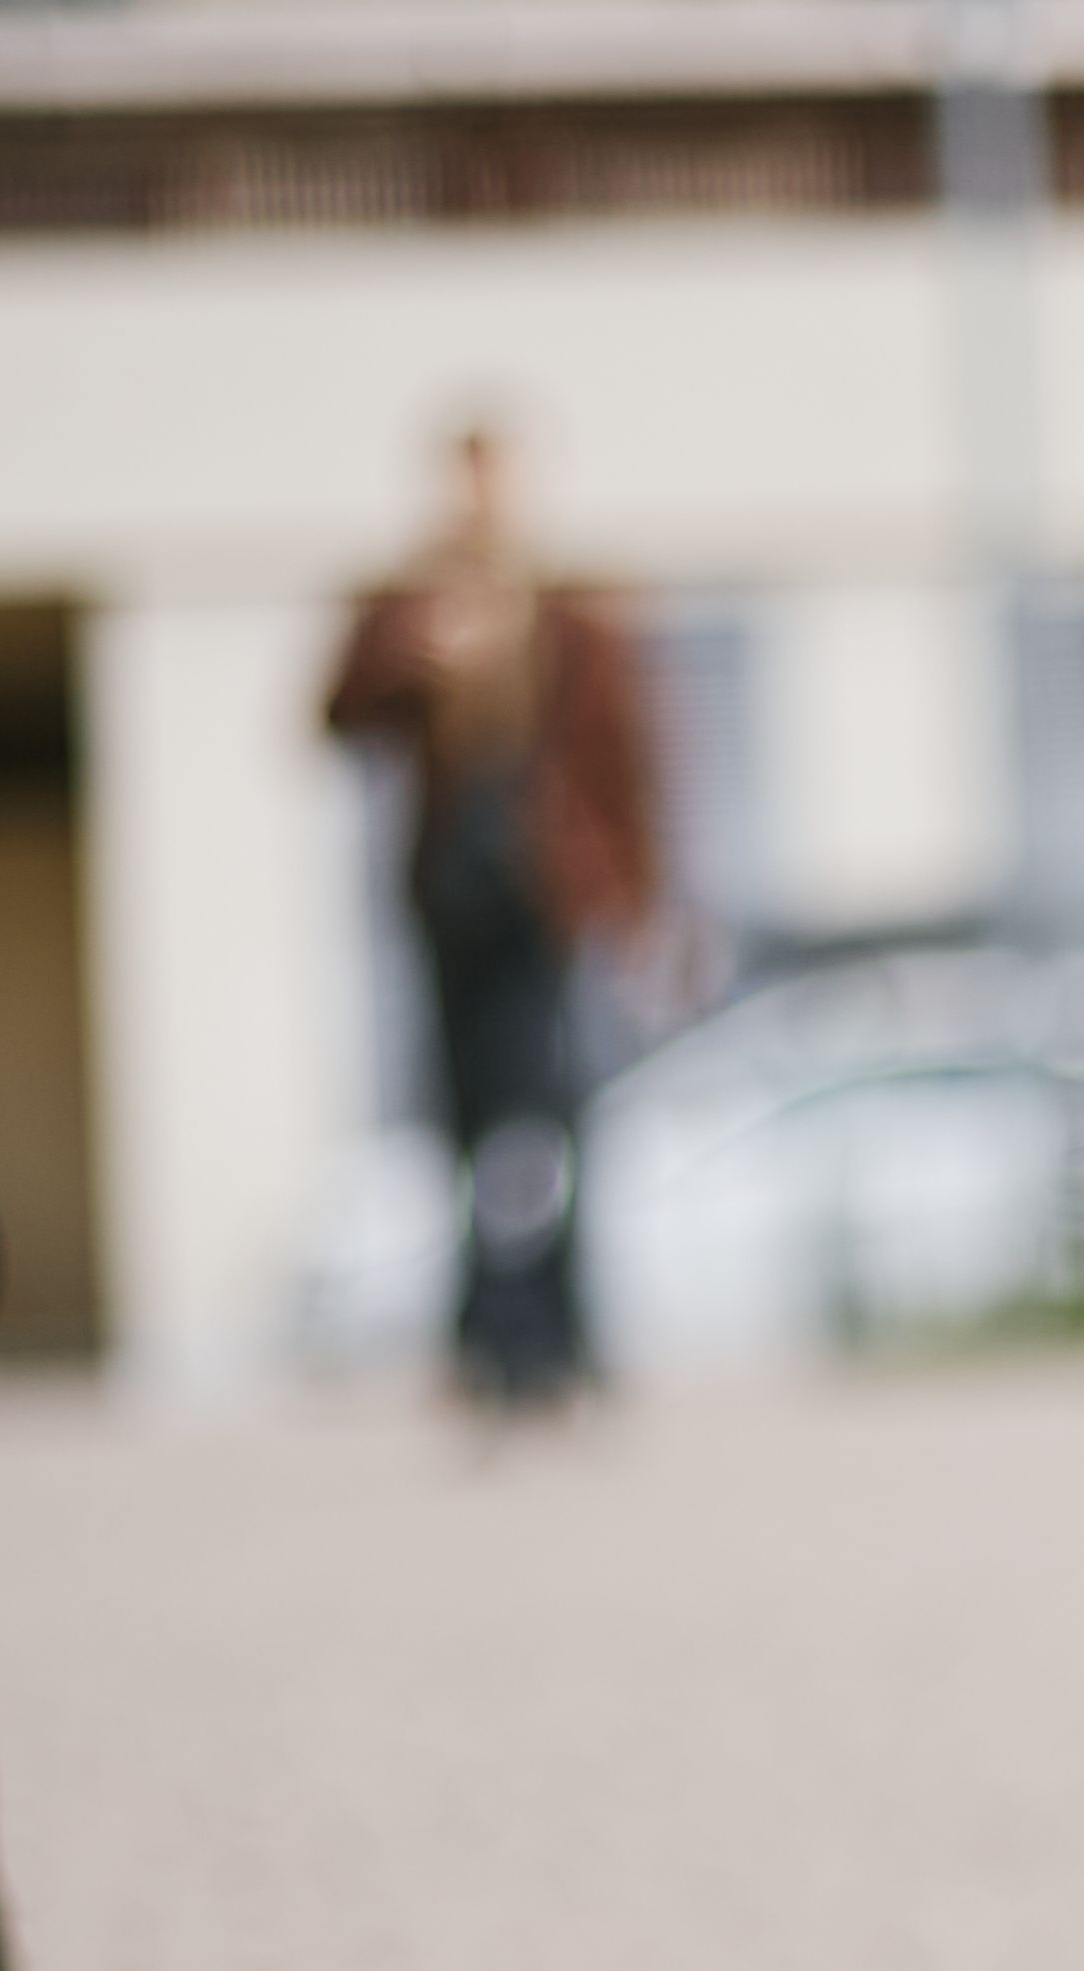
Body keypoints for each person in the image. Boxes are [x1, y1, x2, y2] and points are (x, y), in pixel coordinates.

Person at [326, 423, 667, 1410]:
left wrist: (642, 904)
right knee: (467, 1118)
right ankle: (485, 1336)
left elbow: (627, 763)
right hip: (452, 892)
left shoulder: (568, 611)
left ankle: (561, 1333)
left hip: (546, 896)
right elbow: (336, 715)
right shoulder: (407, 603)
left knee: (556, 1113)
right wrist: (412, 655)